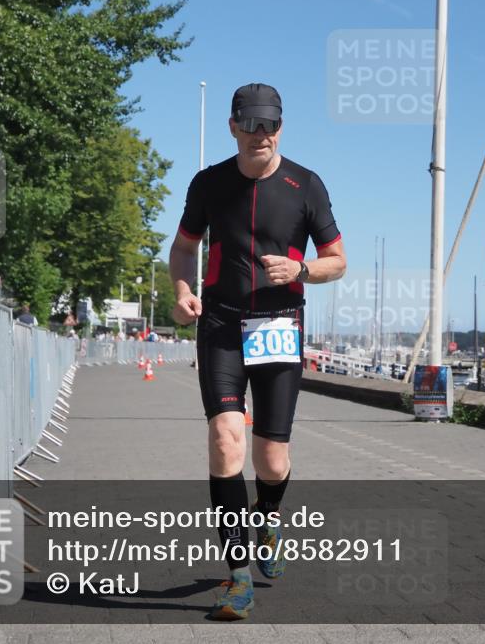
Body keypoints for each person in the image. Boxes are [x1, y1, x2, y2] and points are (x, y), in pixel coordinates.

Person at [169, 83, 346, 621]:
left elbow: (338, 260)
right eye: (250, 125)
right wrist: (181, 291)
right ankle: (238, 575)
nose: (259, 135)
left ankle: (267, 517)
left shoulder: (305, 185)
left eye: (269, 125)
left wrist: (303, 270)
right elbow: (183, 248)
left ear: (281, 128)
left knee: (272, 459)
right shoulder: (208, 184)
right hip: (221, 322)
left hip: (278, 325)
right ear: (233, 126)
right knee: (225, 440)